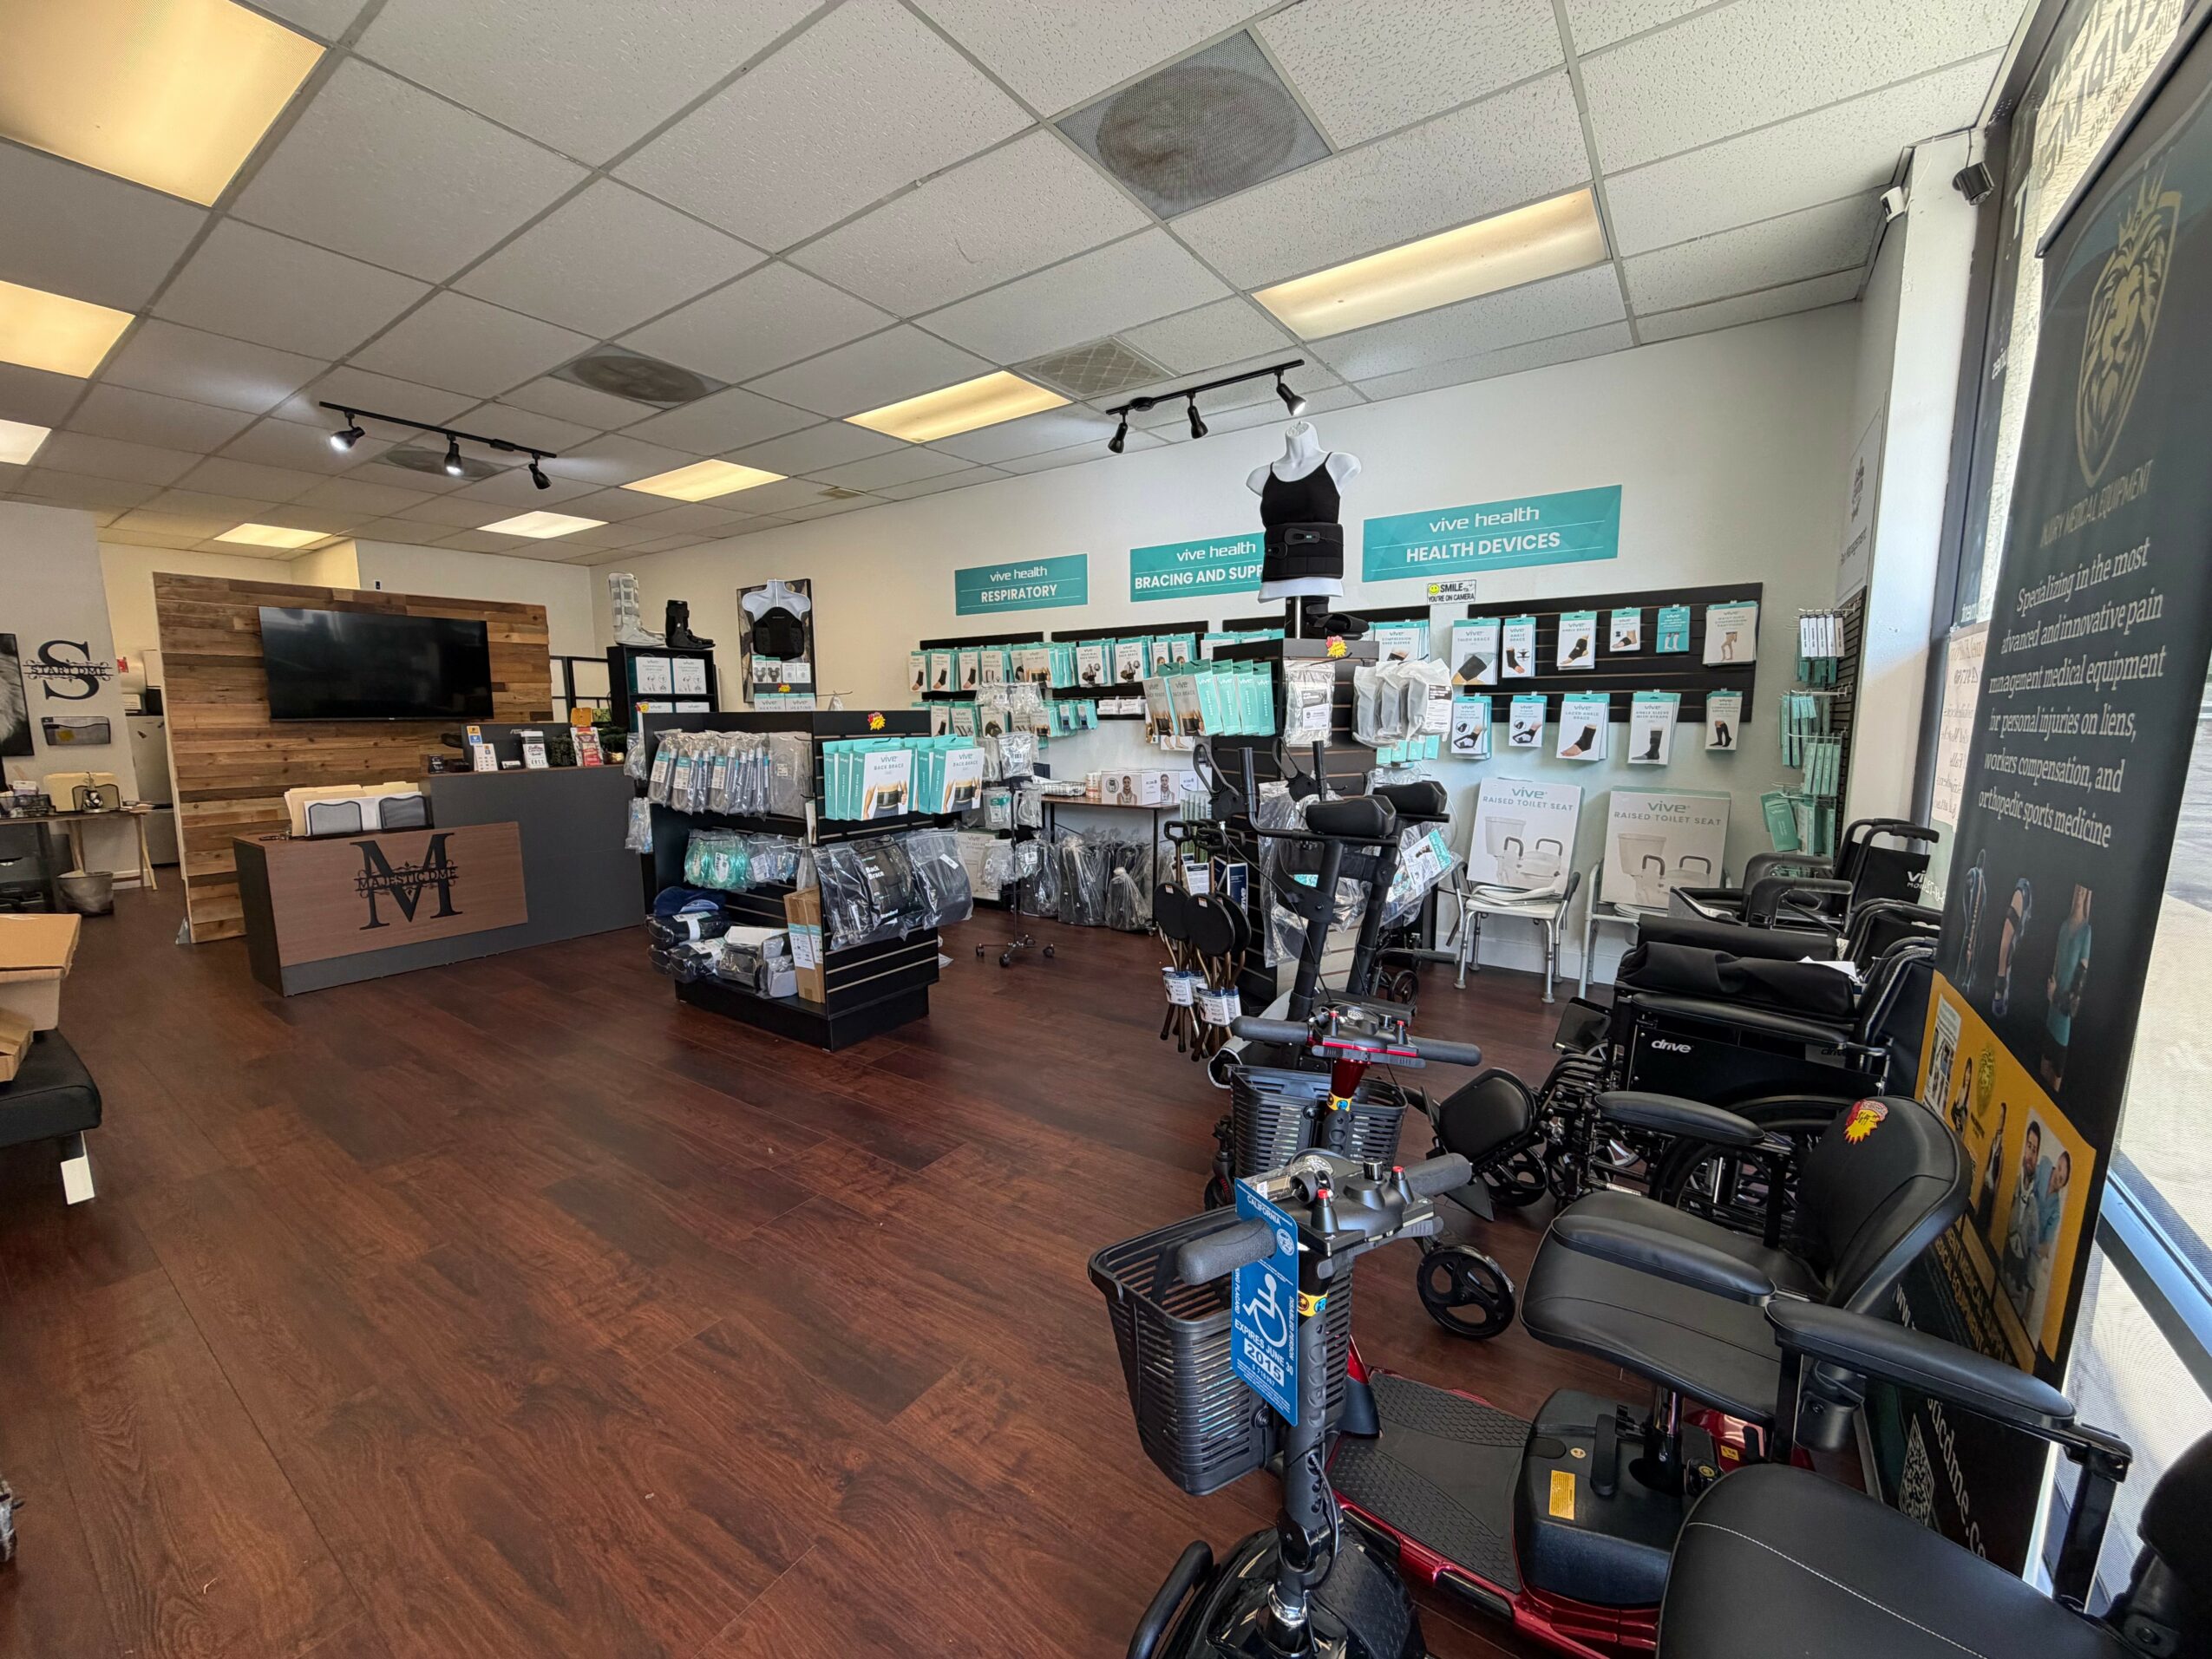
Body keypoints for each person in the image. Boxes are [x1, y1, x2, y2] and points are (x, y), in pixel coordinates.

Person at [2042, 886, 2093, 1089]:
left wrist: (2055, 996)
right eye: (2078, 889)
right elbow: (2055, 966)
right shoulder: (2064, 927)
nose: (2079, 894)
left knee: (2055, 1077)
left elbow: (2075, 1000)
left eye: (2084, 891)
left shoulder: (2086, 933)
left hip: (2063, 1019)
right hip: (2051, 1013)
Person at [1999, 1121, 2044, 1309]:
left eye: (2035, 1150)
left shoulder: (2036, 1203)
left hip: (2018, 1283)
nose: (2030, 1155)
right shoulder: (2015, 1184)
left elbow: (2035, 1256)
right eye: (2029, 1147)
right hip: (2002, 1268)